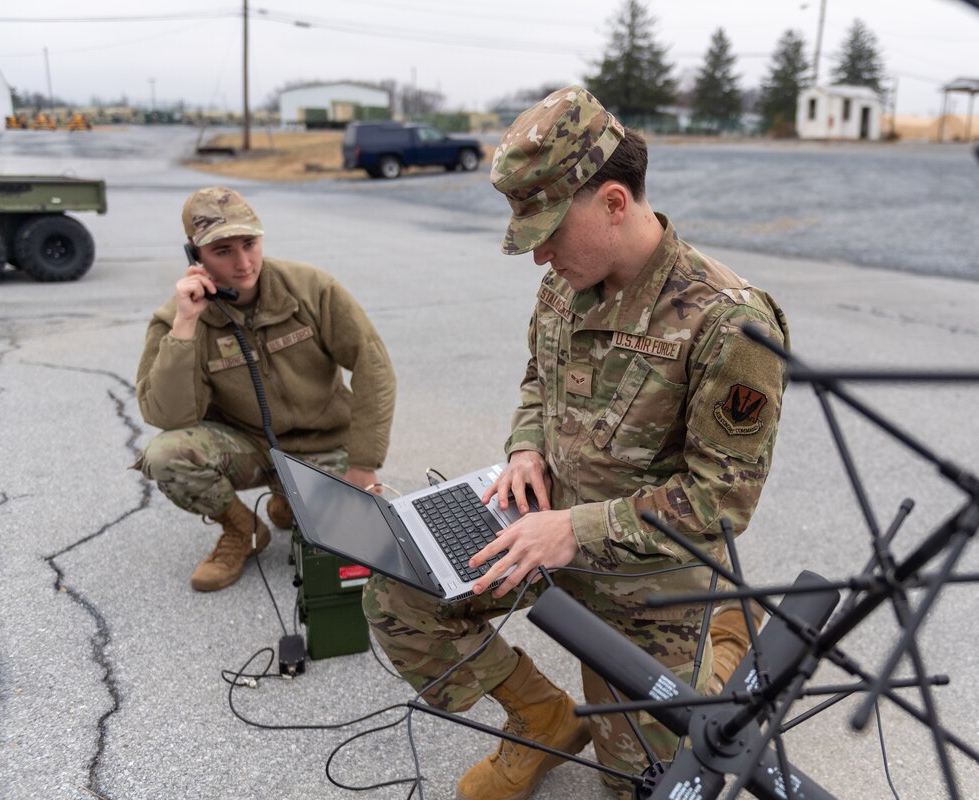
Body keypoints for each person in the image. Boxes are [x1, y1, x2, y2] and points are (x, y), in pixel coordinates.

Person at [363, 86, 788, 800]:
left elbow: (721, 502)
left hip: (644, 578)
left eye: (550, 232)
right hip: (540, 521)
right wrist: (526, 448)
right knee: (398, 595)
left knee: (642, 786)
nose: (539, 258)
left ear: (615, 203)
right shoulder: (569, 281)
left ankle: (726, 640)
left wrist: (575, 530)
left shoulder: (730, 324)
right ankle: (542, 717)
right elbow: (538, 379)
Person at [135, 186, 396, 592]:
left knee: (373, 546)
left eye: (250, 244)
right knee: (165, 455)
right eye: (223, 251)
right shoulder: (176, 319)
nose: (243, 264)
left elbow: (373, 368)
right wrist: (186, 327)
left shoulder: (311, 288)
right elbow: (168, 417)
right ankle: (241, 531)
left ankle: (291, 502)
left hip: (324, 443)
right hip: (248, 446)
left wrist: (363, 464)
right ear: (194, 255)